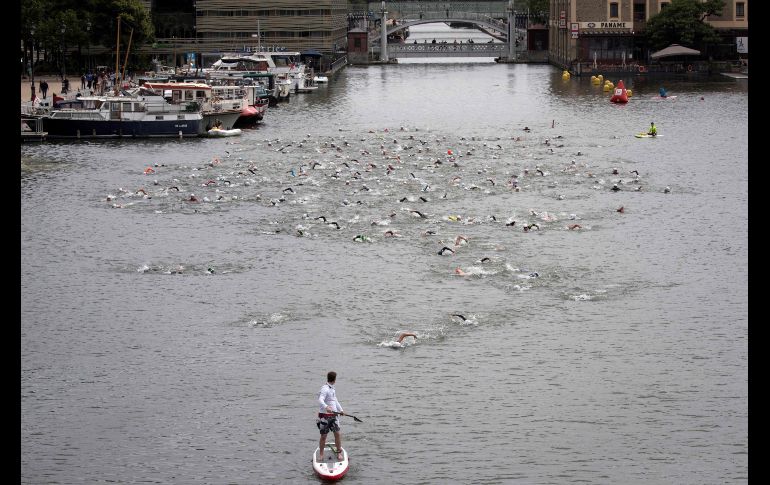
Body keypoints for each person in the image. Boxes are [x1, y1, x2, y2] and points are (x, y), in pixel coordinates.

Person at [317, 371, 345, 461]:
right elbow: (320, 400)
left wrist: (341, 410)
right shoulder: (325, 389)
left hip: (334, 415)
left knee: (337, 434)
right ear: (334, 380)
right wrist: (326, 407)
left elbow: (335, 400)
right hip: (325, 416)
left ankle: (339, 453)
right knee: (323, 436)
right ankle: (321, 455)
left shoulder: (332, 388)